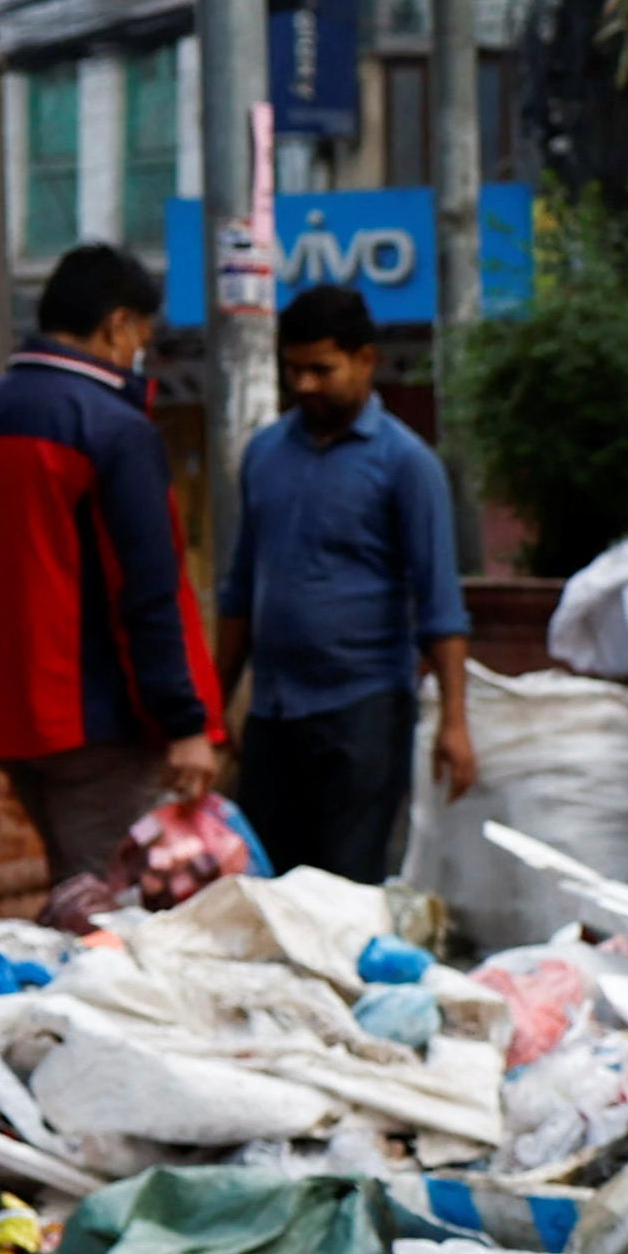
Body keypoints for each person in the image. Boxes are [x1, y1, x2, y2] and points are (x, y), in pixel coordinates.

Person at [0, 241, 222, 889]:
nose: (139, 349)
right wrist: (184, 723)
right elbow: (147, 595)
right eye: (140, 334)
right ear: (119, 325)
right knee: (122, 912)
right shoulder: (115, 431)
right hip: (99, 721)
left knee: (77, 891)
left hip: (7, 723)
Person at [218, 283, 475, 881]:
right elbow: (239, 592)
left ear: (366, 361)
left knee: (343, 891)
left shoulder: (407, 465)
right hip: (274, 715)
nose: (305, 384)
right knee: (268, 889)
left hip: (362, 712)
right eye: (294, 370)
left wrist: (456, 724)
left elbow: (440, 605)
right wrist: (217, 708)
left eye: (322, 369)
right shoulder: (264, 454)